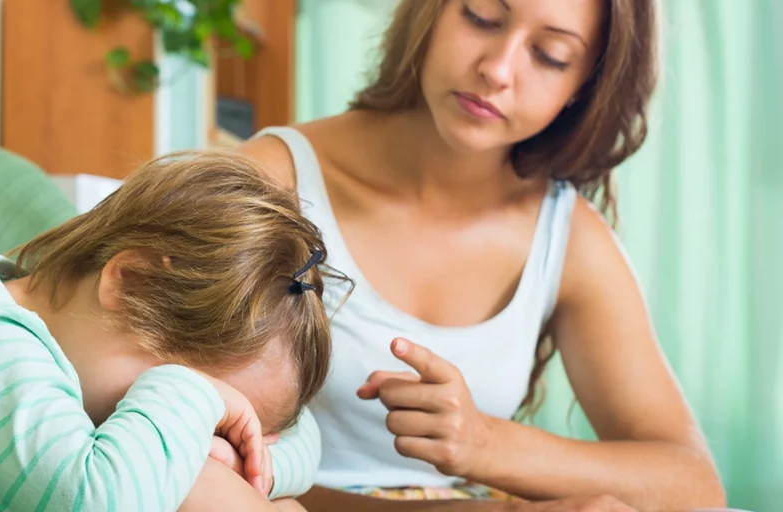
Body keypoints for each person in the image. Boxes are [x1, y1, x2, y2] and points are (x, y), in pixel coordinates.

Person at [237, 0, 726, 510]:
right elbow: (175, 441)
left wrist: (486, 445)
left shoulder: (566, 235)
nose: (497, 70)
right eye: (481, 17)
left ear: (584, 84)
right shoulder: (269, 183)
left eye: (551, 55)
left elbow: (691, 485)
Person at [0, 152, 347, 511]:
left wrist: (238, 457)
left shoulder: (81, 340)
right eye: (170, 394)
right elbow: (95, 503)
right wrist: (193, 400)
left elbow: (305, 438)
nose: (188, 430)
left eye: (210, 424)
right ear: (131, 283)